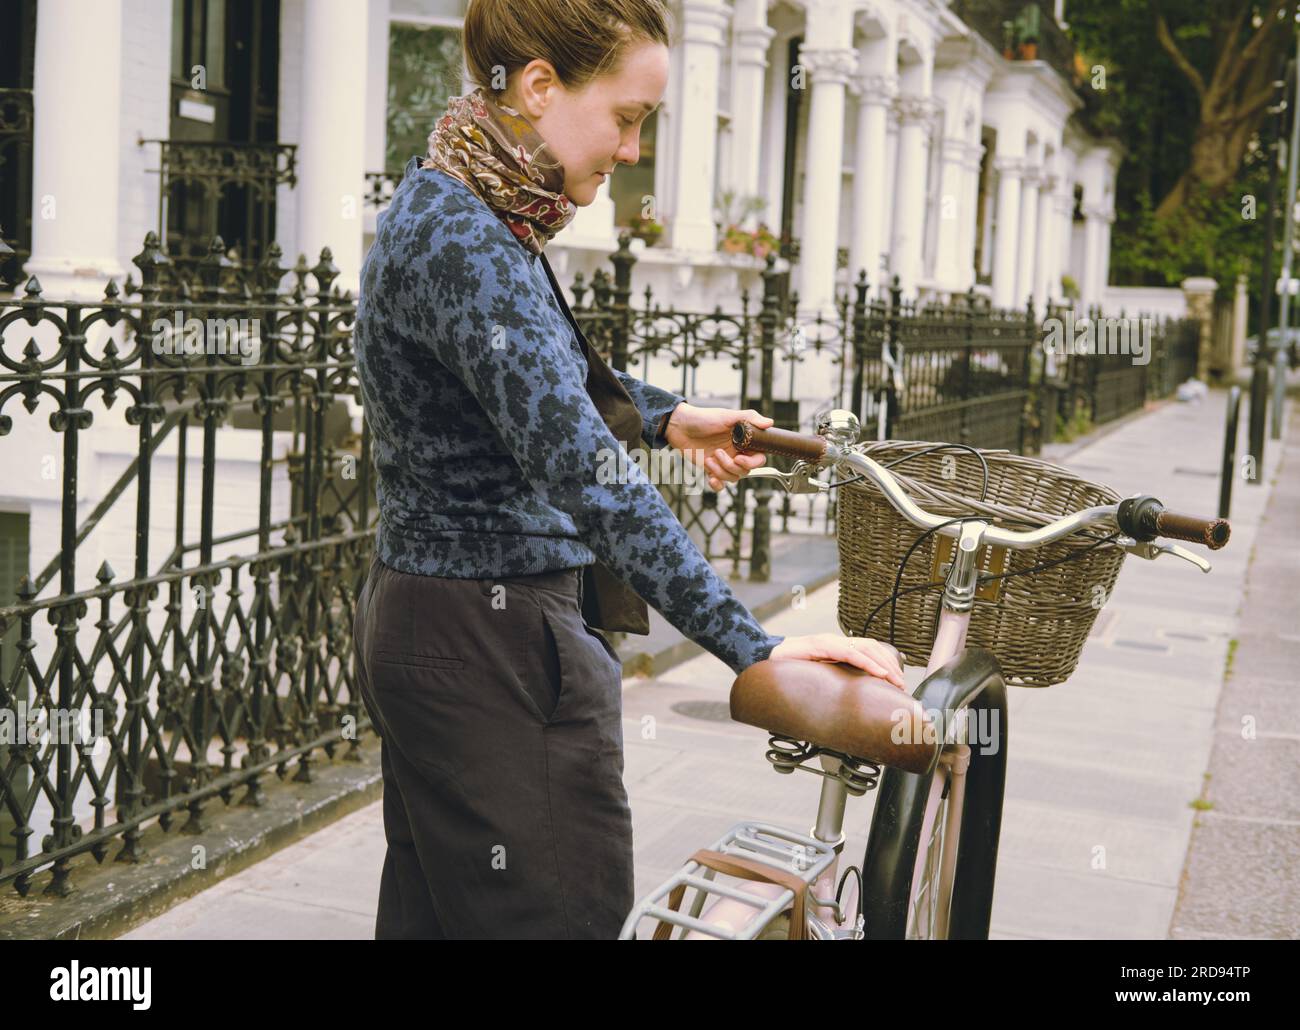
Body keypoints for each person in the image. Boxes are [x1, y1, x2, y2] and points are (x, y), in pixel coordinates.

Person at [351, 0, 906, 940]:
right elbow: (585, 472)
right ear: (537, 88)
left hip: (444, 626)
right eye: (628, 115)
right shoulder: (470, 238)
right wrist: (755, 646)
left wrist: (668, 415)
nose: (634, 149)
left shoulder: (461, 200)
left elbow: (530, 376)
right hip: (494, 643)